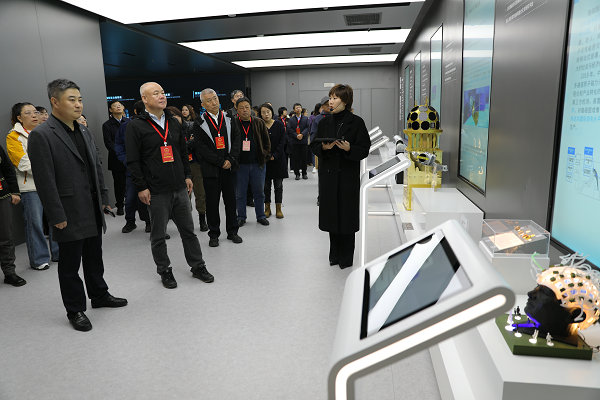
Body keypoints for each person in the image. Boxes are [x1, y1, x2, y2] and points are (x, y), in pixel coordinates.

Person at [28, 79, 127, 331]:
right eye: (71, 100)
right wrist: (56, 215)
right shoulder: (42, 135)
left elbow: (95, 167)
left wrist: (104, 199)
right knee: (70, 265)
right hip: (67, 210)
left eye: (80, 99)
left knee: (94, 256)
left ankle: (99, 294)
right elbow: (45, 180)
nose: (78, 104)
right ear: (54, 102)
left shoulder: (83, 130)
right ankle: (75, 309)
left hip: (91, 206)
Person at [126, 82, 213, 289]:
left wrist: (187, 175)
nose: (161, 96)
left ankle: (198, 266)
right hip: (156, 190)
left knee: (188, 231)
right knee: (158, 236)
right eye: (156, 93)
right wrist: (141, 187)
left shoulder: (174, 122)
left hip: (179, 187)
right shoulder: (135, 126)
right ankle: (164, 270)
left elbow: (182, 152)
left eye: (163, 92)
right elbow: (133, 161)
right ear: (145, 99)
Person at [309, 84, 371, 269]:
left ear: (345, 101)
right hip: (328, 177)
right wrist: (323, 147)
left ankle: (346, 258)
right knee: (332, 216)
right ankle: (334, 255)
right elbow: (314, 145)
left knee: (346, 216)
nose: (331, 101)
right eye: (330, 97)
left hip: (346, 177)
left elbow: (364, 149)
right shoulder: (324, 122)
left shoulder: (356, 122)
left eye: (335, 98)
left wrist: (349, 148)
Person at [6, 102, 59, 270]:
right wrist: (49, 169)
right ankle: (39, 259)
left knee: (56, 219)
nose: (34, 115)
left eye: (35, 112)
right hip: (30, 187)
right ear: (19, 118)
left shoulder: (45, 132)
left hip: (51, 184)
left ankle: (58, 252)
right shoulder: (13, 136)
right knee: (34, 223)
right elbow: (23, 164)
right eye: (28, 113)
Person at [190, 88, 243, 247]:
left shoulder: (229, 117)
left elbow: (237, 139)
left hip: (229, 168)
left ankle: (232, 231)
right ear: (203, 104)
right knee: (212, 203)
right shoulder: (199, 123)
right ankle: (214, 234)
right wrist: (220, 162)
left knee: (231, 201)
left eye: (215, 98)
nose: (214, 103)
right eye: (209, 100)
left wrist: (231, 159)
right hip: (211, 170)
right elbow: (201, 148)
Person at [166, 106, 208, 232]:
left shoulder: (191, 126)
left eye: (175, 116)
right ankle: (187, 222)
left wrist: (186, 144)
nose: (174, 119)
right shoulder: (167, 131)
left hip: (195, 163)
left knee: (200, 193)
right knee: (184, 196)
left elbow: (196, 142)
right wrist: (188, 144)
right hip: (179, 165)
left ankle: (202, 219)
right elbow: (172, 148)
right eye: (171, 117)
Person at [232, 97, 271, 227]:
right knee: (240, 193)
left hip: (257, 164)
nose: (244, 110)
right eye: (241, 108)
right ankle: (241, 217)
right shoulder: (233, 123)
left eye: (247, 107)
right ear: (237, 109)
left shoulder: (259, 122)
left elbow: (267, 142)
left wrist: (264, 155)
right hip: (240, 165)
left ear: (250, 108)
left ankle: (261, 216)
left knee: (259, 192)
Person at [114, 100, 151, 234]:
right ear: (135, 111)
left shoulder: (152, 125)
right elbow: (118, 145)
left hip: (150, 169)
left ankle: (149, 222)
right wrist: (126, 160)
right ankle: (130, 222)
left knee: (150, 198)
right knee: (130, 198)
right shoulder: (126, 126)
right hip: (132, 169)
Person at [0, 145, 26, 287]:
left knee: (6, 237)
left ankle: (9, 273)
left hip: (2, 197)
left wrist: (15, 191)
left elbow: (8, 169)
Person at [260, 103, 287, 219]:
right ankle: (267, 208)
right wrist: (266, 155)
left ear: (272, 112)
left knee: (278, 186)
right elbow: (258, 142)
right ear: (260, 114)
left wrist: (275, 155)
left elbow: (282, 141)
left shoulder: (279, 124)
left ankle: (278, 208)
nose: (266, 114)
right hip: (265, 160)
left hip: (278, 160)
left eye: (268, 112)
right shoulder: (260, 125)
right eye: (263, 112)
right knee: (266, 186)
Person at [102, 100, 129, 215]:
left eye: (120, 105)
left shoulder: (129, 122)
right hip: (117, 159)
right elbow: (109, 144)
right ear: (110, 110)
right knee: (119, 184)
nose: (118, 107)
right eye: (115, 106)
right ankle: (120, 205)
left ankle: (134, 204)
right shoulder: (107, 125)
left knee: (133, 183)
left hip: (131, 158)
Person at [286, 103, 310, 180]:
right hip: (295, 141)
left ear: (301, 109)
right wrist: (296, 135)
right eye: (296, 108)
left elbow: (308, 128)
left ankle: (304, 173)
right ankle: (297, 174)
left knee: (304, 158)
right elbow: (289, 129)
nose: (298, 109)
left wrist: (302, 134)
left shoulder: (306, 118)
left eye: (299, 107)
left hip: (303, 141)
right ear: (294, 110)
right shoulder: (291, 119)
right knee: (295, 158)